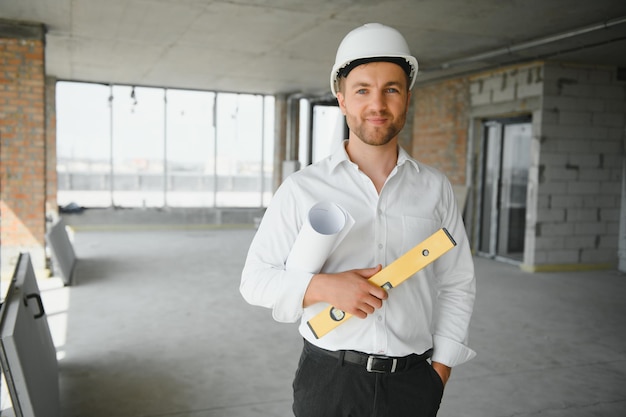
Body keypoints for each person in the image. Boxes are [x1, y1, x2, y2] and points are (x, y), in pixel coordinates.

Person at [240, 22, 476, 417]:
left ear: (407, 98)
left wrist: (440, 371)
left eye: (392, 89)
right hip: (330, 382)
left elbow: (458, 282)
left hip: (414, 383)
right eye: (363, 89)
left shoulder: (435, 188)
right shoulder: (302, 189)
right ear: (342, 100)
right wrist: (324, 288)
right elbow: (255, 281)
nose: (378, 105)